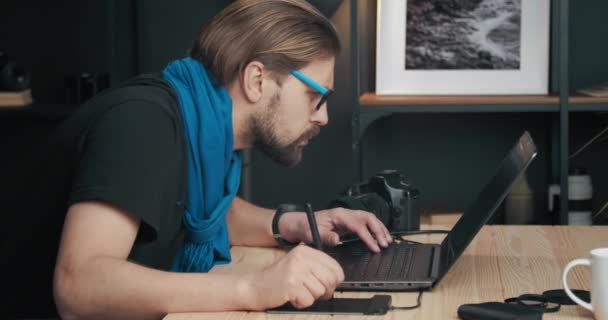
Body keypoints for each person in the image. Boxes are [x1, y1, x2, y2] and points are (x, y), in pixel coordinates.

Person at [4, 0, 393, 319]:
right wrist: (253, 289)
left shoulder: (201, 127)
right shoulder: (143, 123)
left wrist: (292, 225)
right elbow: (80, 287)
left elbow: (184, 208)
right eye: (316, 96)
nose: (322, 115)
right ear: (257, 80)